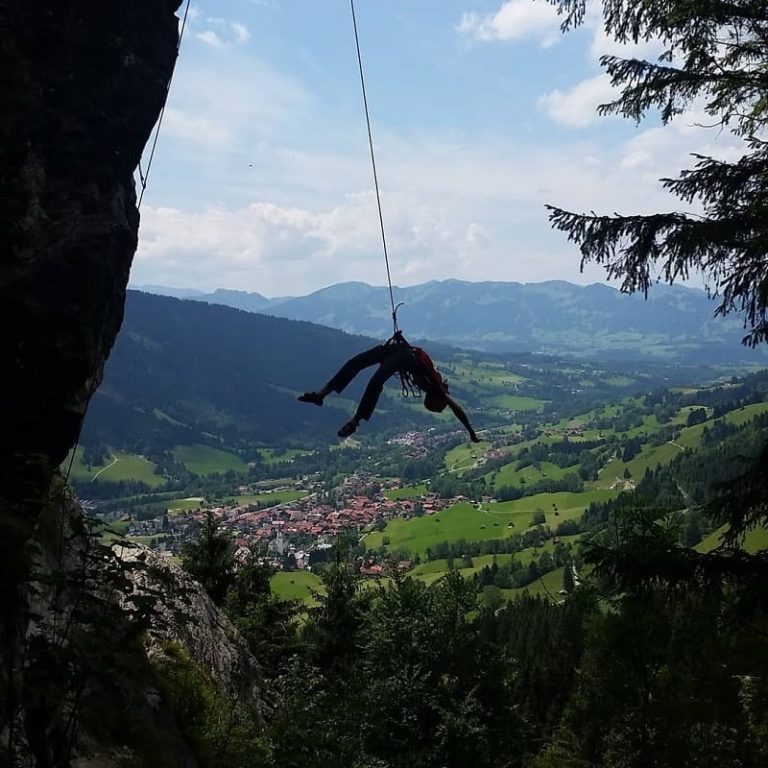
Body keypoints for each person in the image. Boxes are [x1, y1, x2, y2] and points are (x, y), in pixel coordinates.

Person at [298, 332, 480, 442]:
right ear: (436, 401)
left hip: (401, 354)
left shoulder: (433, 388)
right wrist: (471, 432)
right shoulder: (436, 389)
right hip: (404, 356)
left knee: (360, 365)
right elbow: (457, 409)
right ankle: (326, 399)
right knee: (369, 374)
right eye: (432, 406)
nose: (428, 404)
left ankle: (332, 403)